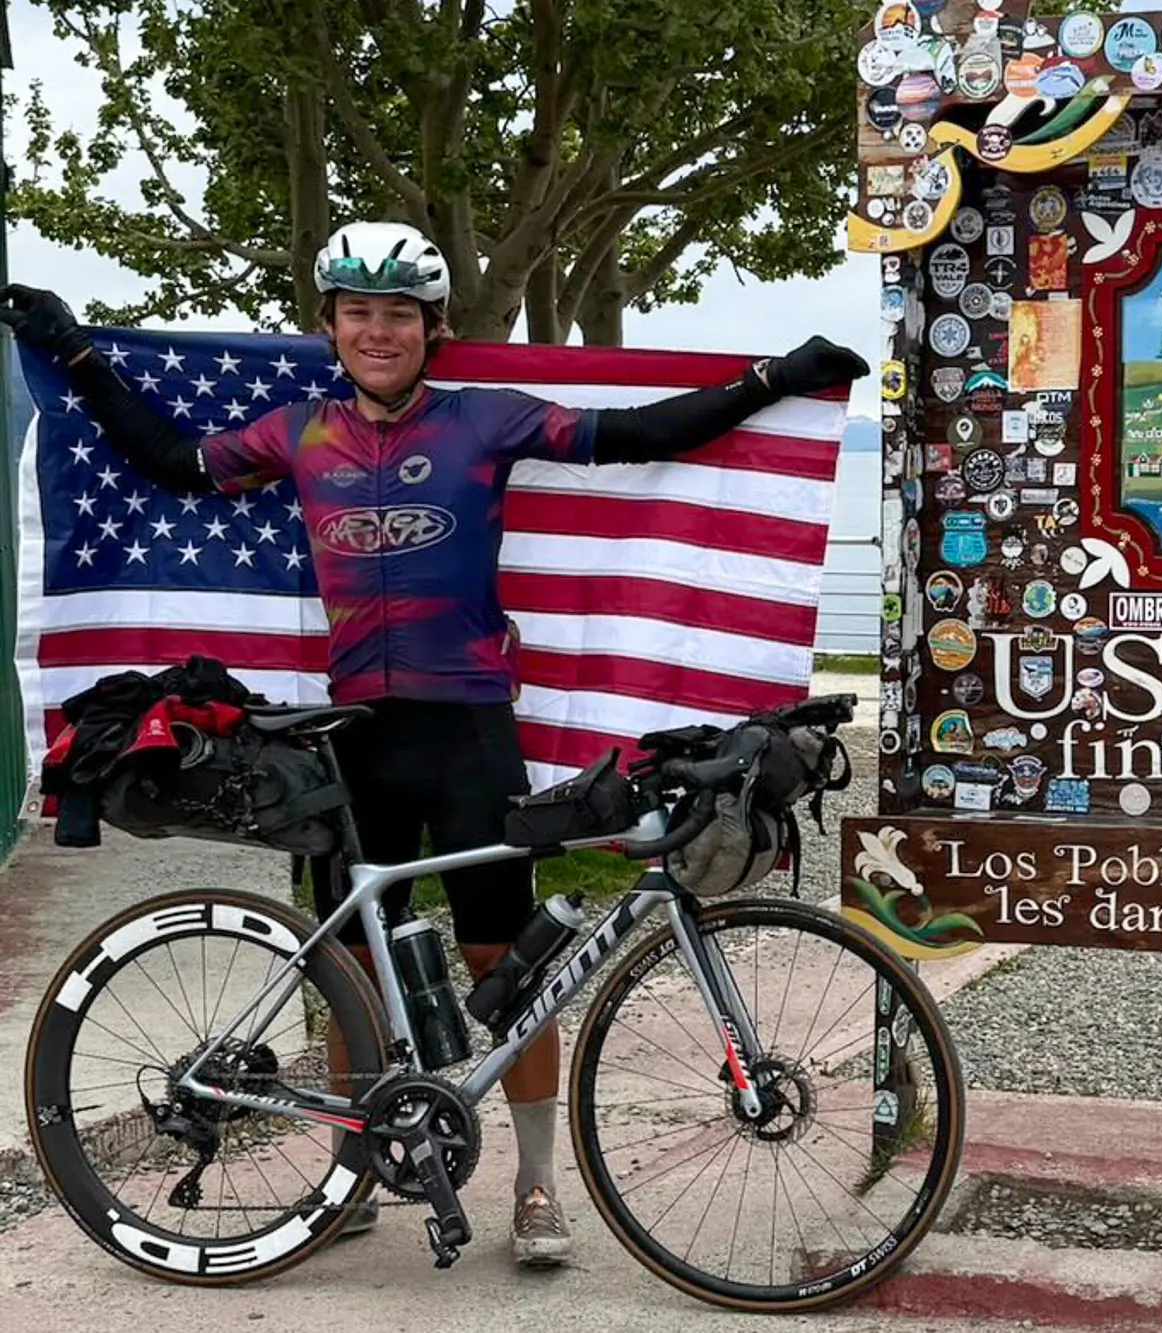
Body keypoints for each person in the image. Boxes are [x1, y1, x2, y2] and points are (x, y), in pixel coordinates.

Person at [1, 221, 867, 1268]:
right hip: (353, 740)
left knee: (507, 962)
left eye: (398, 315)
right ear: (330, 325)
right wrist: (74, 349)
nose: (378, 331)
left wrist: (772, 378)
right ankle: (353, 1173)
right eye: (358, 313)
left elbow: (639, 433)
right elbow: (171, 461)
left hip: (468, 731)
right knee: (352, 969)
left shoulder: (483, 420)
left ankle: (537, 1188)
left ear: (432, 328)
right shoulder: (298, 431)